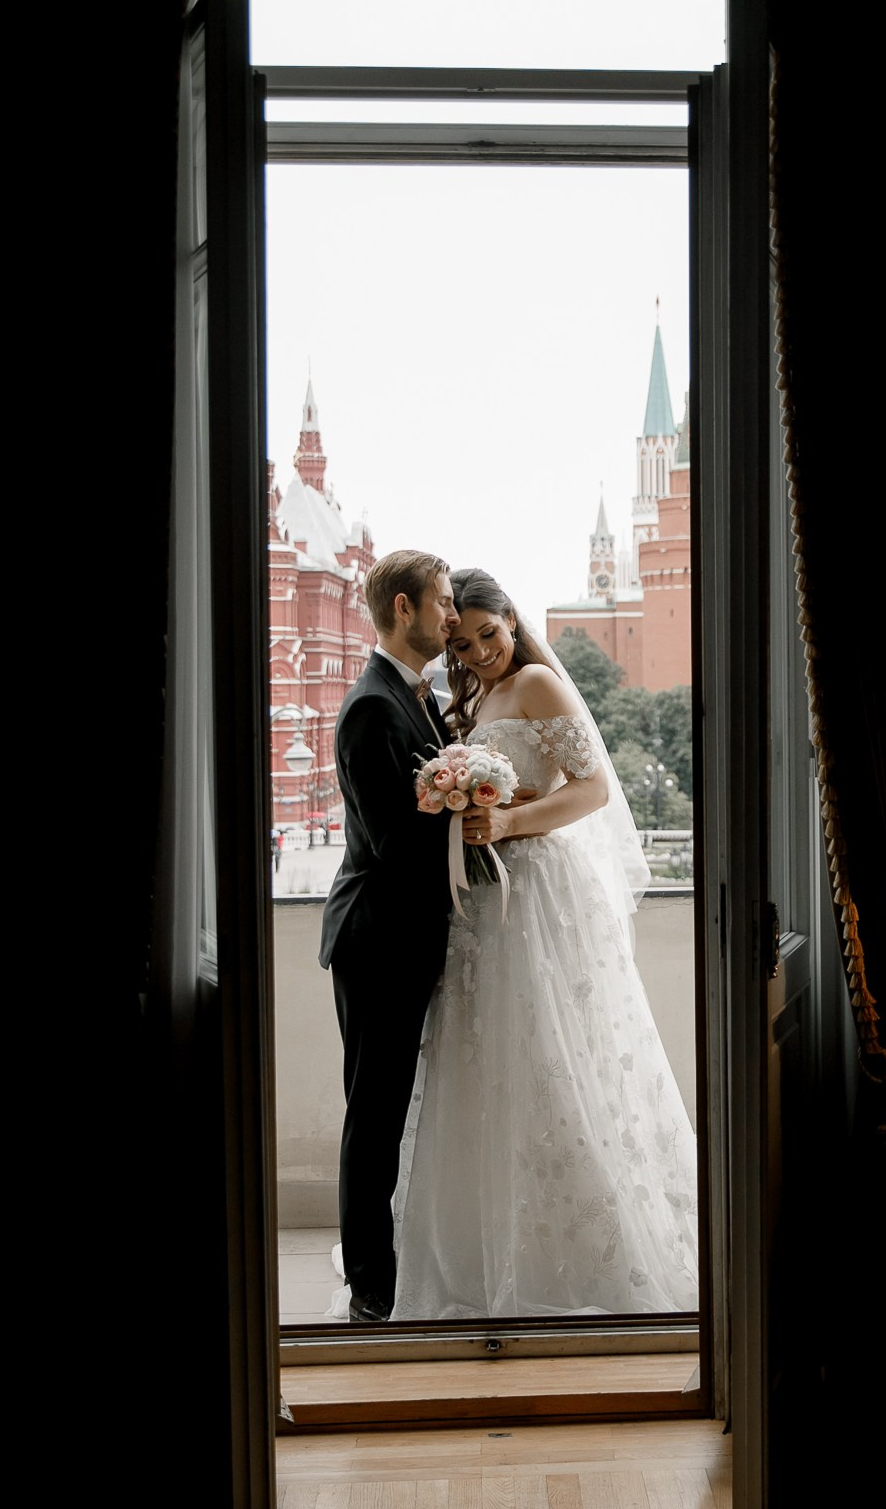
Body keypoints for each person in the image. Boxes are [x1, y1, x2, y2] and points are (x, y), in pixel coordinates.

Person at [390, 568, 701, 1319]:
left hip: (536, 893)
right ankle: (479, 1245)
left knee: (551, 1051)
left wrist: (508, 821)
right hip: (483, 900)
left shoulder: (536, 683)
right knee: (485, 1059)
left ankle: (582, 1248)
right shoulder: (470, 696)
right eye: (464, 644)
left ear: (511, 621)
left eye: (489, 635)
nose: (480, 652)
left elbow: (592, 788)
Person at [318, 549, 459, 1323]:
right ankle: (371, 1289)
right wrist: (457, 807)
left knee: (387, 1108)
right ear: (403, 609)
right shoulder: (371, 707)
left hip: (407, 937)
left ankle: (389, 1268)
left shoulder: (416, 695)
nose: (451, 614)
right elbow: (391, 843)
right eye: (442, 601)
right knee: (373, 1116)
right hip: (376, 941)